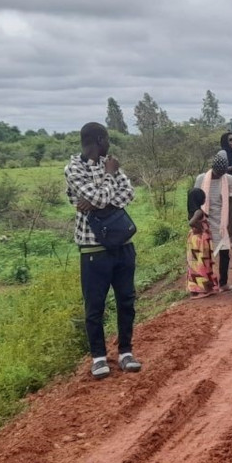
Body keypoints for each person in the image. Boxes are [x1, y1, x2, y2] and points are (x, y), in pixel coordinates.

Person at [64, 122, 141, 379]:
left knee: (126, 301)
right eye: (107, 139)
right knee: (95, 306)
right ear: (99, 139)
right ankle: (98, 357)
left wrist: (100, 203)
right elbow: (98, 199)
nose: (109, 144)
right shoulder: (74, 168)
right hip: (92, 248)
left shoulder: (110, 163)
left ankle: (126, 352)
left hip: (123, 244)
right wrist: (108, 179)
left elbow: (128, 194)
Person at [195, 151, 232, 291]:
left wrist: (230, 224)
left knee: (224, 252)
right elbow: (195, 199)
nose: (219, 175)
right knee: (205, 252)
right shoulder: (201, 179)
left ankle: (223, 283)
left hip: (222, 220)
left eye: (222, 172)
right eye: (217, 172)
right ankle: (206, 283)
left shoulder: (228, 179)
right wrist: (196, 220)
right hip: (205, 219)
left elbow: (230, 203)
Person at [185, 188, 219, 298]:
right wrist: (200, 228)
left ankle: (197, 289)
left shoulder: (192, 211)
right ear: (200, 199)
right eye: (204, 197)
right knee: (202, 263)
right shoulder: (198, 212)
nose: (205, 199)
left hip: (194, 240)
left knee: (194, 264)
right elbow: (192, 222)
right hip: (200, 240)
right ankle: (202, 289)